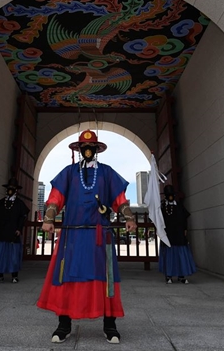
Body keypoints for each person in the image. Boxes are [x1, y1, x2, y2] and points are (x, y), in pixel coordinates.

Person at [37, 130, 137, 344]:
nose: (87, 150)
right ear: (79, 150)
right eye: (83, 147)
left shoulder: (107, 172)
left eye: (91, 147)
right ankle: (64, 324)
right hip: (72, 235)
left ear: (97, 150)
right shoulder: (69, 172)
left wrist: (128, 217)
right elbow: (56, 198)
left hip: (100, 235)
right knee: (66, 276)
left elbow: (120, 199)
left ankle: (110, 325)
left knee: (106, 277)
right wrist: (49, 218)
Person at [0, 177, 29, 283]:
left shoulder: (19, 204)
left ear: (16, 190)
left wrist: (19, 228)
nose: (11, 189)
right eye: (9, 187)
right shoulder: (1, 202)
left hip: (13, 232)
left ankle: (14, 275)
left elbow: (22, 217)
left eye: (13, 188)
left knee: (13, 255)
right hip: (0, 232)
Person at [159, 184, 196, 284]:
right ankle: (169, 275)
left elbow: (185, 219)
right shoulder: (162, 206)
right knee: (169, 255)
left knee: (181, 255)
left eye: (171, 194)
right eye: (168, 194)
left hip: (179, 234)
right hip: (168, 234)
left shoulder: (179, 206)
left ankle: (181, 275)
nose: (170, 196)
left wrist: (185, 229)